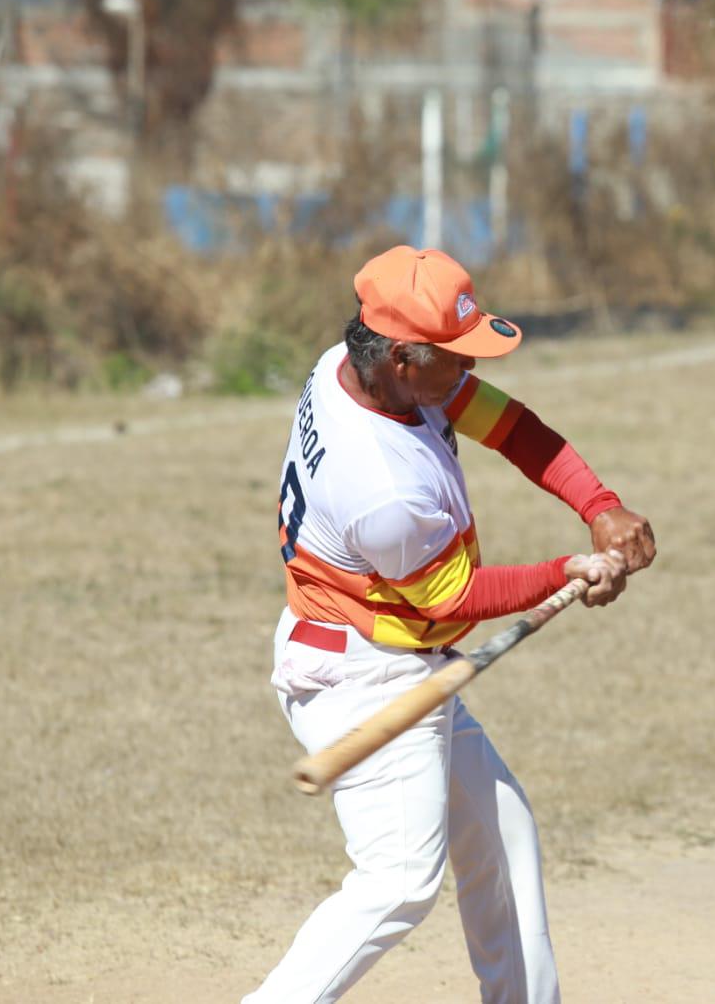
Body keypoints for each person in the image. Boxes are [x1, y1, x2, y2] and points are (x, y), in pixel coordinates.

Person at [245, 245, 657, 1004]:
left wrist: (599, 507)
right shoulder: (382, 486)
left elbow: (512, 427)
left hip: (395, 653)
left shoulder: (362, 364)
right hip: (363, 676)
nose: (469, 372)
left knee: (502, 835)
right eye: (455, 356)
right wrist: (570, 568)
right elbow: (451, 598)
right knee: (400, 881)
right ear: (403, 357)